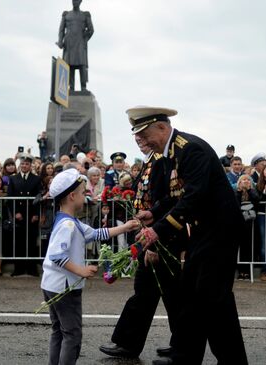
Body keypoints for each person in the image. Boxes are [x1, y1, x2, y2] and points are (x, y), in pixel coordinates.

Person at [128, 105, 248, 365]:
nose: (143, 142)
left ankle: (199, 357)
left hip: (220, 230)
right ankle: (187, 354)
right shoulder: (170, 152)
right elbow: (175, 196)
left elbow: (194, 197)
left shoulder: (190, 149)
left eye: (145, 135)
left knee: (210, 295)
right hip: (205, 229)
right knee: (200, 293)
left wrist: (158, 230)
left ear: (161, 127)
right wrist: (154, 212)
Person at [99, 134, 186, 360]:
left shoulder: (160, 162)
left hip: (161, 237)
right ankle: (181, 344)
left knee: (154, 292)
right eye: (136, 136)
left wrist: (154, 243)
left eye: (143, 135)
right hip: (153, 233)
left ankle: (133, 344)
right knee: (165, 293)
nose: (139, 140)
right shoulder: (152, 160)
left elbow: (169, 201)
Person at [41, 168, 138, 365]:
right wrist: (82, 271)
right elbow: (57, 256)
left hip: (53, 284)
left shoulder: (69, 221)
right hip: (64, 287)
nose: (86, 195)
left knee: (59, 330)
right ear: (71, 196)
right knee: (72, 335)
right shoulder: (67, 225)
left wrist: (125, 227)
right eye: (83, 192)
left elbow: (96, 234)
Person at [7, 153, 42, 277]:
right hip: (19, 214)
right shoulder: (13, 178)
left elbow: (39, 198)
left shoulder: (36, 179)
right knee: (19, 242)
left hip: (31, 214)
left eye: (27, 164)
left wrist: (36, 214)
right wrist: (15, 212)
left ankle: (32, 268)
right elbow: (10, 198)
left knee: (31, 242)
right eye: (22, 164)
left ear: (30, 165)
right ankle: (19, 268)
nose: (24, 166)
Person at [56, 0, 94, 92]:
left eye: (76, 1)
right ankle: (71, 87)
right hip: (69, 43)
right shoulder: (66, 15)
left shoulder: (85, 15)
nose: (74, 2)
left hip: (80, 42)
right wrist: (60, 41)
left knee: (82, 65)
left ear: (80, 2)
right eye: (73, 0)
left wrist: (85, 39)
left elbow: (91, 29)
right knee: (69, 65)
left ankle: (83, 87)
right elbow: (61, 30)